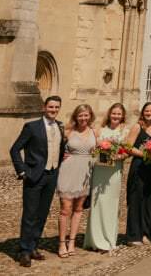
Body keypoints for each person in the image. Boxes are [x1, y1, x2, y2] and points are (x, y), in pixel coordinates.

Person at [10, 95, 66, 267]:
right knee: (30, 214)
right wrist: (22, 170)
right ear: (44, 107)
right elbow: (14, 149)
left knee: (42, 214)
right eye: (51, 107)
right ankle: (24, 251)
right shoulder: (32, 127)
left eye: (57, 107)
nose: (54, 110)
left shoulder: (60, 127)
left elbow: (60, 149)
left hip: (51, 176)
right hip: (34, 176)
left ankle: (33, 245)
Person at [85, 103, 128, 253]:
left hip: (114, 171)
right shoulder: (100, 130)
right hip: (100, 170)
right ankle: (94, 240)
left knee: (111, 204)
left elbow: (126, 151)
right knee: (98, 202)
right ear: (109, 114)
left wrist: (120, 155)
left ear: (123, 116)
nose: (116, 116)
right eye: (114, 113)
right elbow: (93, 148)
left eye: (119, 114)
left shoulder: (125, 131)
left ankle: (108, 239)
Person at [55, 104, 96, 258]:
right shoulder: (67, 132)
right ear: (75, 117)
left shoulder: (95, 132)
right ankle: (61, 242)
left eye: (86, 115)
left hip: (86, 173)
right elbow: (55, 148)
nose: (83, 118)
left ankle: (71, 241)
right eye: (80, 115)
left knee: (78, 209)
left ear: (90, 116)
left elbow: (102, 151)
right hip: (68, 171)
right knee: (65, 209)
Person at [125, 102, 151, 246]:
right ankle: (134, 235)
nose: (149, 113)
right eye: (147, 111)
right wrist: (143, 154)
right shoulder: (137, 127)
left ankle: (146, 233)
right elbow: (128, 147)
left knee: (149, 201)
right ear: (143, 112)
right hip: (139, 166)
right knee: (136, 200)